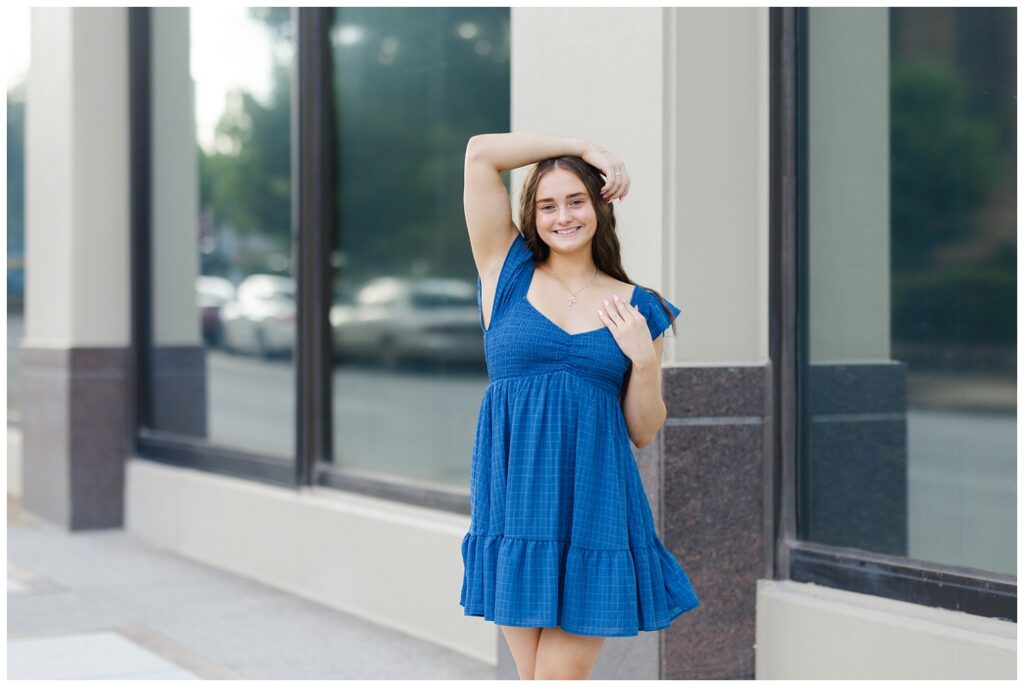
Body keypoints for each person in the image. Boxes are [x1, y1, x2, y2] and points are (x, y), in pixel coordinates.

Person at [459, 132, 700, 680]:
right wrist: (588, 148)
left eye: (575, 201)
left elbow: (642, 431)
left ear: (599, 207)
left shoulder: (638, 306)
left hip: (595, 510)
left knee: (557, 677)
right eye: (547, 205)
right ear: (532, 215)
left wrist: (644, 361)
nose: (562, 216)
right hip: (515, 507)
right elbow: (480, 154)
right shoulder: (505, 271)